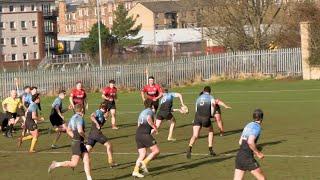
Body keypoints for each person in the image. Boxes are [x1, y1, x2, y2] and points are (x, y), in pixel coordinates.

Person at [48, 104, 92, 180]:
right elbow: (80, 131)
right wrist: (86, 137)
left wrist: (75, 137)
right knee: (74, 163)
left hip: (78, 142)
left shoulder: (72, 117)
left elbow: (68, 130)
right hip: (77, 144)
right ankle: (56, 164)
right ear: (82, 110)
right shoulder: (79, 118)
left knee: (86, 159)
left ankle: (89, 178)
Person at [233, 109, 266, 180]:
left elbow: (240, 142)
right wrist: (258, 153)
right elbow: (250, 141)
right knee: (262, 179)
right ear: (261, 118)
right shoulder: (257, 127)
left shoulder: (248, 125)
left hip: (239, 156)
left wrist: (253, 148)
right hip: (247, 158)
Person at [186, 86, 217, 159]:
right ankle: (210, 149)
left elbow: (196, 109)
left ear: (203, 91)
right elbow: (213, 106)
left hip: (197, 117)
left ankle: (189, 148)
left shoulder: (198, 98)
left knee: (195, 135)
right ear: (210, 91)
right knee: (211, 131)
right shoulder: (211, 97)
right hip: (205, 117)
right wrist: (212, 115)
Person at [132, 99, 160, 178]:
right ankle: (144, 162)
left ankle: (135, 171)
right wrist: (155, 127)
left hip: (138, 134)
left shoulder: (142, 112)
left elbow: (138, 123)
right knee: (156, 151)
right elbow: (148, 119)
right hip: (144, 134)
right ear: (152, 105)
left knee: (142, 154)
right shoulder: (149, 111)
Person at [85, 103, 118, 168]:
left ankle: (78, 161)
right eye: (107, 110)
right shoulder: (99, 112)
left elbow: (101, 124)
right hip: (97, 134)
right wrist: (97, 124)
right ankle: (111, 161)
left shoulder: (102, 114)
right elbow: (92, 116)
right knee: (109, 145)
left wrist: (105, 119)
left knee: (87, 150)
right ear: (105, 109)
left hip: (91, 134)